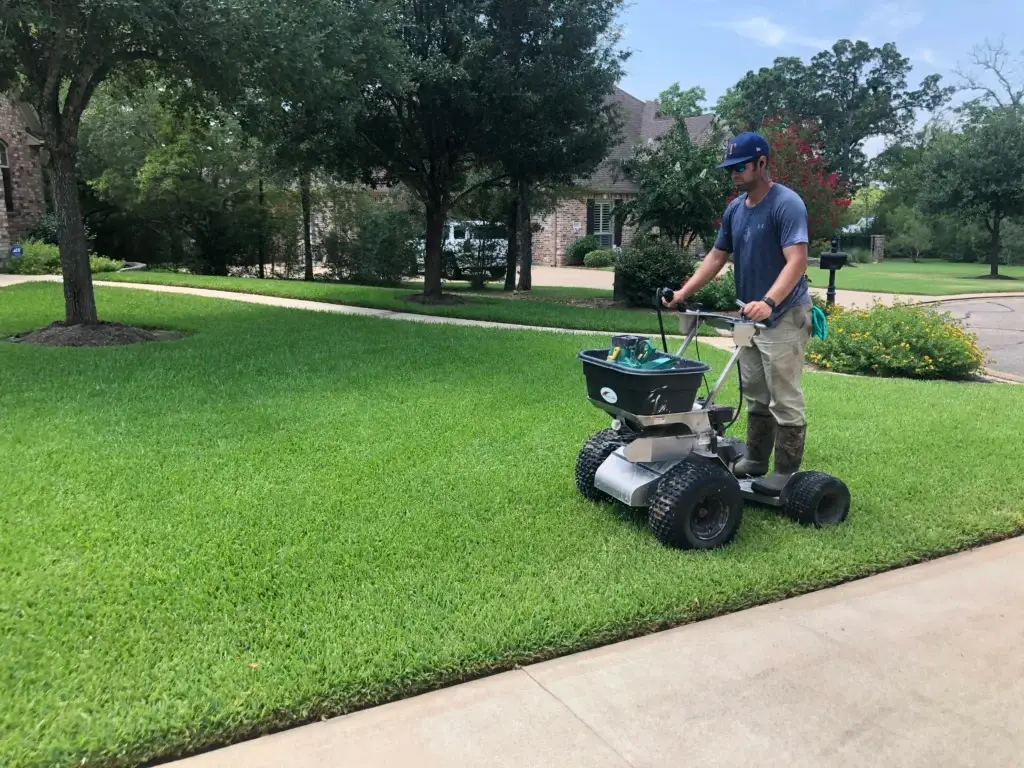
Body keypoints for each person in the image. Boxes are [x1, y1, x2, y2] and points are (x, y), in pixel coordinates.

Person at [663, 131, 813, 485]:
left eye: (740, 166)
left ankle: (787, 474)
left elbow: (797, 261)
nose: (733, 172)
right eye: (730, 167)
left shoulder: (785, 204)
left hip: (784, 314)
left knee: (784, 396)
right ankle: (757, 461)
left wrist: (769, 301)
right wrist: (683, 293)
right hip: (747, 315)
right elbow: (716, 257)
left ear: (762, 163)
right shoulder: (735, 208)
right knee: (755, 391)